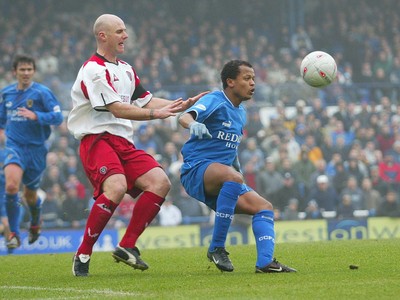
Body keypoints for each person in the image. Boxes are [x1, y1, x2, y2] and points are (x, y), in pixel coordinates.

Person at [67, 14, 207, 277]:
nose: (125, 36)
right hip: (97, 139)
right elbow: (118, 109)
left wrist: (181, 105)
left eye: (125, 31)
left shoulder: (126, 69)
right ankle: (83, 253)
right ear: (102, 36)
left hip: (123, 141)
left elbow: (145, 100)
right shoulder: (93, 70)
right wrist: (159, 115)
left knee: (160, 182)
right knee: (117, 186)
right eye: (119, 31)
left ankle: (127, 246)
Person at [179, 60, 296, 273]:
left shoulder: (240, 113)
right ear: (230, 82)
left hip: (225, 176)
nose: (253, 83)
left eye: (253, 78)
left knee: (264, 207)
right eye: (247, 78)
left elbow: (230, 150)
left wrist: (237, 170)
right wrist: (193, 124)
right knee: (233, 178)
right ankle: (217, 248)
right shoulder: (215, 99)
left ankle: (265, 263)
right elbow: (184, 116)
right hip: (197, 170)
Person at [0, 54, 63, 250]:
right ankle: (13, 233)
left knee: (30, 196)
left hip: (36, 150)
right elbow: (1, 120)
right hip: (14, 146)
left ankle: (36, 222)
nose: (26, 73)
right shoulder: (7, 94)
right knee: (11, 186)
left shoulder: (42, 93)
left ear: (34, 72)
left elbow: (58, 117)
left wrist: (36, 115)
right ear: (15, 72)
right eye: (22, 69)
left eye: (29, 69)